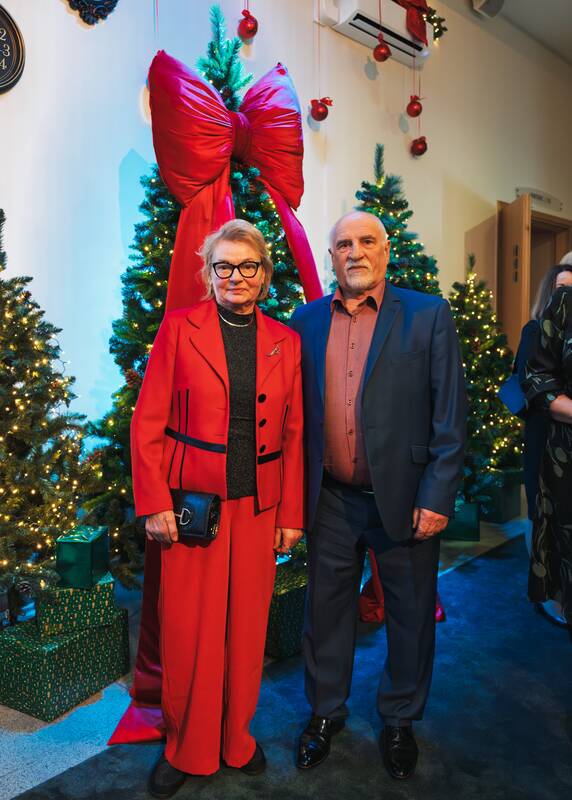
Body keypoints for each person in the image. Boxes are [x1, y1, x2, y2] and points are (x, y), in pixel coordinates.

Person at [131, 219, 304, 798]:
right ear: (209, 273)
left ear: (263, 273)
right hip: (192, 509)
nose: (236, 276)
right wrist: (155, 502)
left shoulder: (286, 340)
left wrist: (291, 514)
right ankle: (187, 745)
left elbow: (295, 433)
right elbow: (148, 420)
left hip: (259, 507)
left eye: (247, 265)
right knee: (189, 631)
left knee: (246, 630)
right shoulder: (179, 329)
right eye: (223, 266)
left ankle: (236, 739)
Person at [290, 211, 466, 780]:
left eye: (367, 241)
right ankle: (325, 712)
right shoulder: (305, 321)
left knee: (410, 614)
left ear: (385, 251)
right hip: (331, 498)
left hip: (407, 498)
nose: (355, 252)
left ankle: (399, 719)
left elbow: (450, 416)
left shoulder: (427, 315)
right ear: (331, 257)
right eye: (344, 243)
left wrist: (437, 495)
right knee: (325, 611)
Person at [515, 266, 572, 626]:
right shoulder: (536, 329)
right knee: (541, 510)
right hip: (544, 433)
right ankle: (551, 593)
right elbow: (529, 380)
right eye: (560, 287)